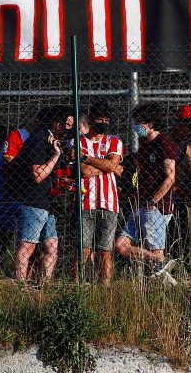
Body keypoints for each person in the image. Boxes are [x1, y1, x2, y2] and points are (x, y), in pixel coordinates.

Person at [114, 103, 178, 278]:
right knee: (120, 245)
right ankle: (161, 264)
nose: (136, 126)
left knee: (156, 251)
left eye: (140, 122)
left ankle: (163, 283)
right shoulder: (144, 145)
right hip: (140, 204)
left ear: (150, 123)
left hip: (155, 207)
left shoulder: (163, 142)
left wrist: (154, 200)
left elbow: (170, 177)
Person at [12, 106, 67, 283]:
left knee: (52, 247)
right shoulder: (38, 139)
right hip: (33, 201)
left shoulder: (51, 141)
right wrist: (56, 155)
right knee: (27, 245)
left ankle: (45, 285)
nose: (70, 129)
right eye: (67, 124)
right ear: (58, 125)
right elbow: (37, 174)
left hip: (47, 203)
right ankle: (20, 286)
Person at [77, 101, 125, 284]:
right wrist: (109, 166)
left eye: (106, 120)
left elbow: (111, 164)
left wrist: (88, 158)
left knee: (105, 250)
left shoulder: (114, 141)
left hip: (109, 201)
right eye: (99, 119)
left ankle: (104, 289)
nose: (103, 123)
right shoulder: (78, 141)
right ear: (90, 119)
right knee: (83, 250)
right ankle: (78, 287)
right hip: (85, 200)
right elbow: (85, 172)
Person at [166, 105, 191, 262]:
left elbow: (189, 174)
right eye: (187, 124)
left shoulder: (188, 149)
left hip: (179, 200)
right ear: (177, 122)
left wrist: (190, 192)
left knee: (183, 238)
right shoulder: (163, 142)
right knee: (166, 239)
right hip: (164, 200)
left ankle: (184, 268)